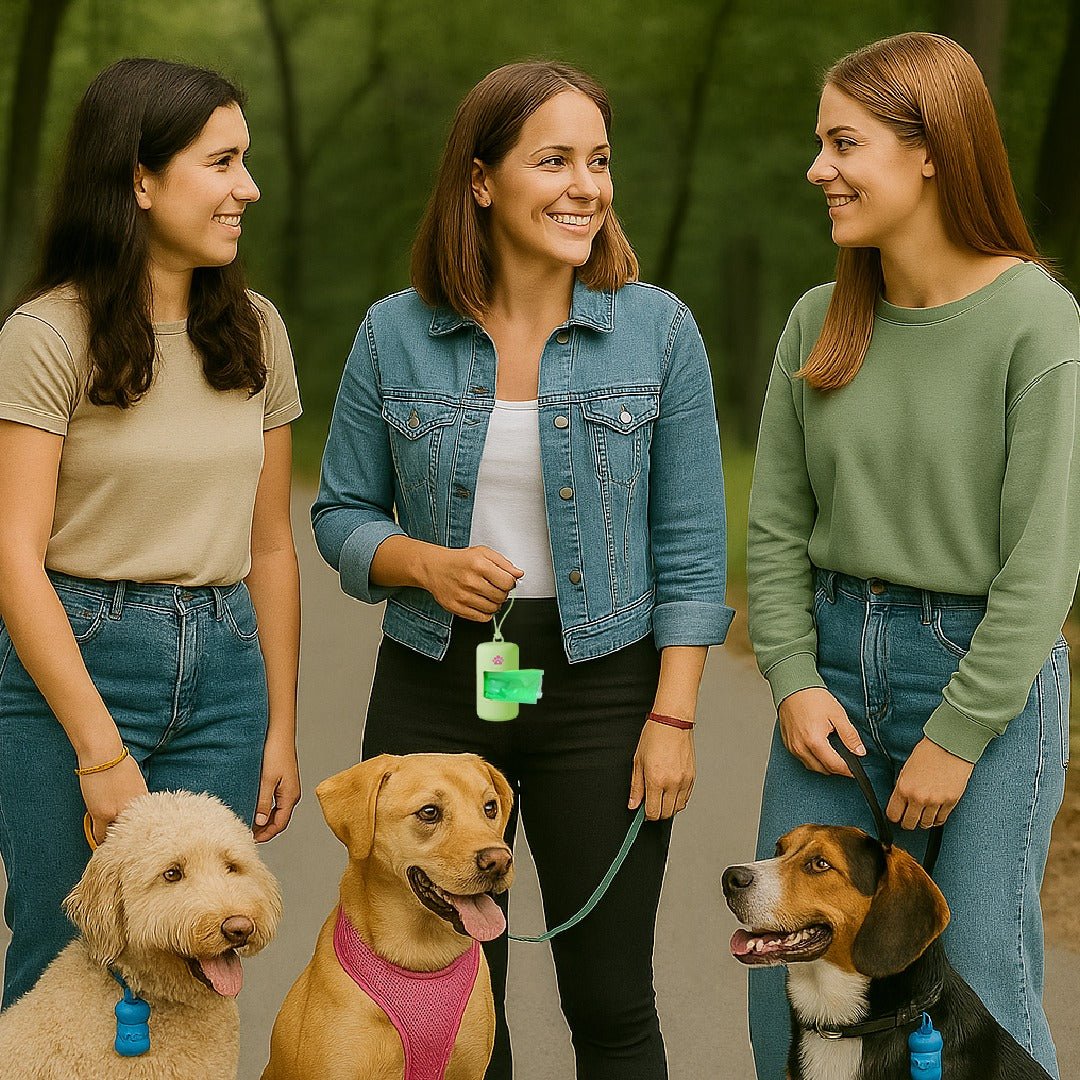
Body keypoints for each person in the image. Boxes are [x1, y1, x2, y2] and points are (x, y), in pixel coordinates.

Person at [312, 61, 732, 1080]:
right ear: (482, 178)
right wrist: (420, 563)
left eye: (599, 160)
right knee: (447, 998)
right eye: (555, 159)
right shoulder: (393, 333)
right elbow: (339, 516)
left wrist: (673, 718)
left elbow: (690, 546)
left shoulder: (657, 330)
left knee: (610, 996)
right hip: (435, 686)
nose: (586, 184)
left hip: (609, 692)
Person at [747, 32, 1078, 1079]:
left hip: (984, 674)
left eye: (843, 143)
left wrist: (960, 732)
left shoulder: (1036, 321)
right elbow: (772, 528)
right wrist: (794, 679)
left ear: (930, 150)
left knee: (978, 969)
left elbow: (1043, 563)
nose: (818, 169)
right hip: (833, 679)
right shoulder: (819, 320)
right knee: (785, 984)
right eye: (817, 143)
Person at [0, 58, 302, 1008]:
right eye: (222, 162)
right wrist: (100, 752)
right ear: (138, 178)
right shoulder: (46, 337)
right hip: (78, 669)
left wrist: (280, 727)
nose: (247, 187)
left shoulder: (255, 330)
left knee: (200, 963)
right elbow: (12, 556)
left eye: (244, 161)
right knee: (67, 943)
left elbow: (270, 549)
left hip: (224, 675)